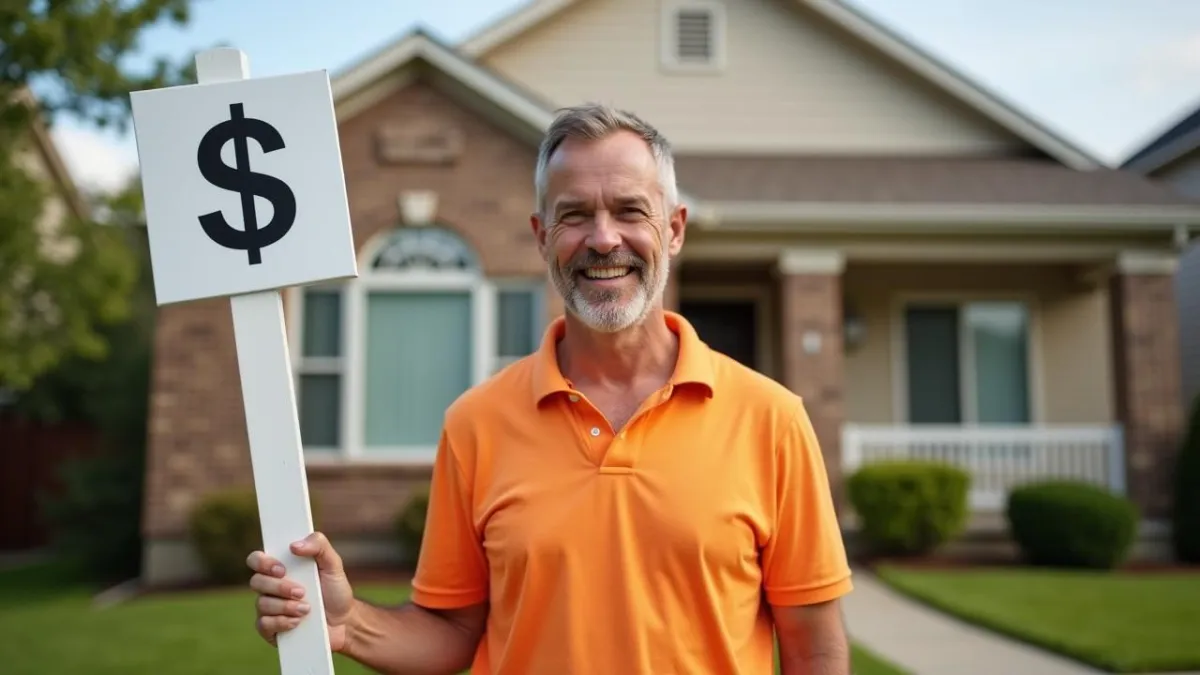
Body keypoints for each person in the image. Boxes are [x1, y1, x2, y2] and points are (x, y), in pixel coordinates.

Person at [246, 103, 854, 674]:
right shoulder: (476, 423)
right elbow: (454, 629)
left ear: (674, 230)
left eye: (629, 210)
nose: (604, 238)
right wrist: (351, 625)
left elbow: (815, 652)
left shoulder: (771, 419)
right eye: (575, 215)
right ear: (541, 235)